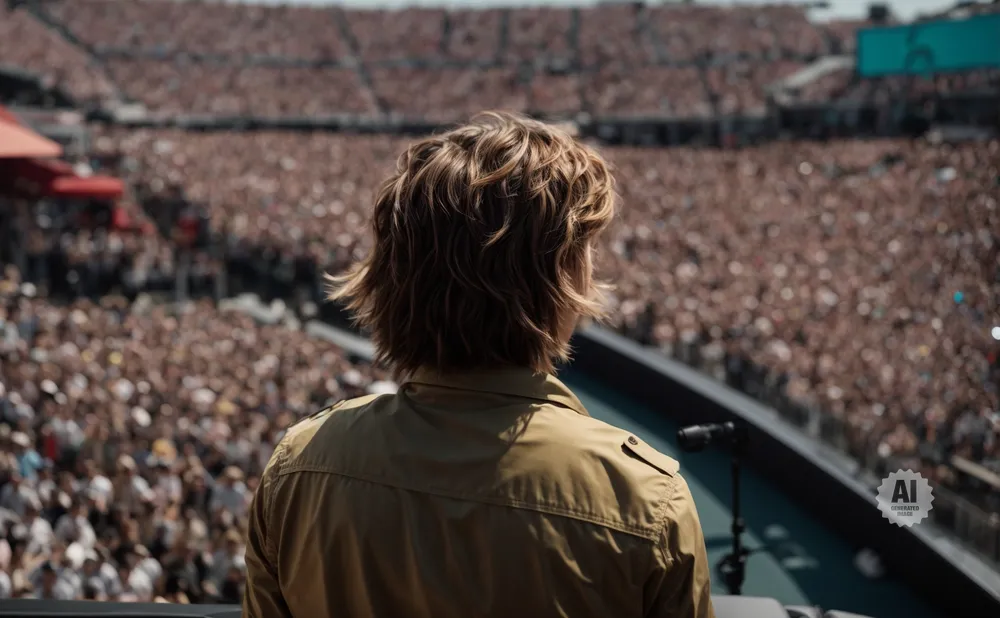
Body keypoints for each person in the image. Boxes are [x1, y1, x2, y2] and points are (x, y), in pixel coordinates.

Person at [243, 112, 715, 618]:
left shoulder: (299, 468)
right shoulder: (642, 499)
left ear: (392, 277)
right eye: (585, 252)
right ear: (560, 280)